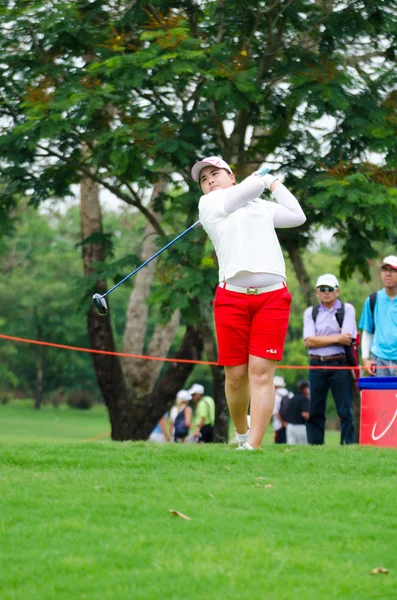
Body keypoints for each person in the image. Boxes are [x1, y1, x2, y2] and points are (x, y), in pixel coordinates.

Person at [191, 156, 306, 449]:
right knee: (235, 376)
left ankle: (253, 446)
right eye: (204, 180)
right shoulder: (210, 205)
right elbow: (244, 192)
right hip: (231, 298)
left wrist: (273, 182)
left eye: (215, 174)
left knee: (261, 373)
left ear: (231, 175)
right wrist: (259, 180)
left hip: (272, 297)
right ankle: (241, 432)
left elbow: (297, 216)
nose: (210, 181)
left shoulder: (262, 207)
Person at [303, 273, 357, 445]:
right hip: (317, 364)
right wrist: (335, 338)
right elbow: (309, 342)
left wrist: (320, 339)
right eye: (322, 289)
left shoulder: (346, 309)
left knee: (344, 409)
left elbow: (347, 338)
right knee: (315, 409)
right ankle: (314, 445)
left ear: (337, 291)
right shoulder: (310, 313)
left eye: (330, 289)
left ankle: (347, 445)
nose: (326, 292)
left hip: (339, 363)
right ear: (317, 292)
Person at [359, 255, 397, 377]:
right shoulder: (372, 299)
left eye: (393, 270)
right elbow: (367, 331)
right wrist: (365, 359)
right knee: (380, 396)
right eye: (385, 270)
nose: (388, 274)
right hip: (378, 360)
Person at [282, 381, 310, 445]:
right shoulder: (304, 399)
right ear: (305, 388)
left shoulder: (292, 398)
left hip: (290, 427)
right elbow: (304, 414)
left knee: (291, 447)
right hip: (300, 427)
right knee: (303, 448)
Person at [272, 375, 292, 444]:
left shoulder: (275, 395)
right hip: (290, 424)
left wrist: (282, 422)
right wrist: (287, 422)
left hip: (279, 425)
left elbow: (275, 412)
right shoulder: (290, 394)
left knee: (279, 443)